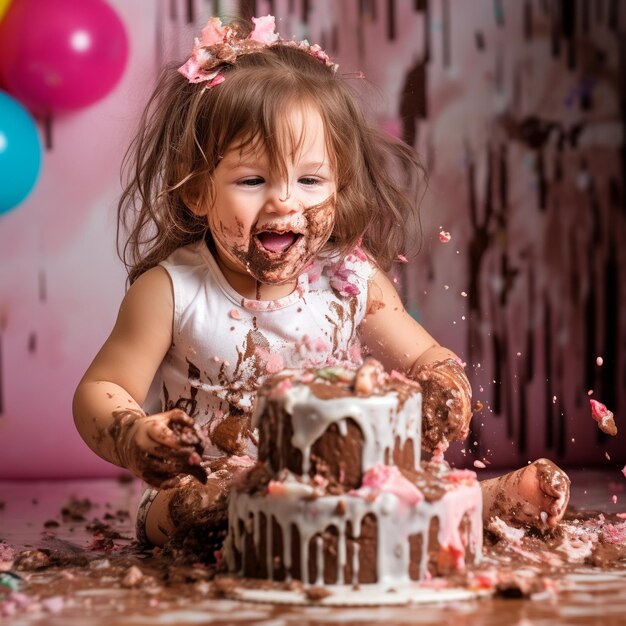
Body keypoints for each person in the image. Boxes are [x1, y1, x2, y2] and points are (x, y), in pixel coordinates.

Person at [72, 15, 570, 550]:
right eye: (252, 180)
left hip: (342, 488)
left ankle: (480, 505)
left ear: (339, 186)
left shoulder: (350, 281)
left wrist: (442, 389)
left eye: (310, 180)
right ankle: (257, 518)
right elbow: (101, 390)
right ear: (198, 192)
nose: (285, 201)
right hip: (205, 486)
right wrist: (134, 435)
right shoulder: (172, 291)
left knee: (390, 492)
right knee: (203, 507)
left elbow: (427, 359)